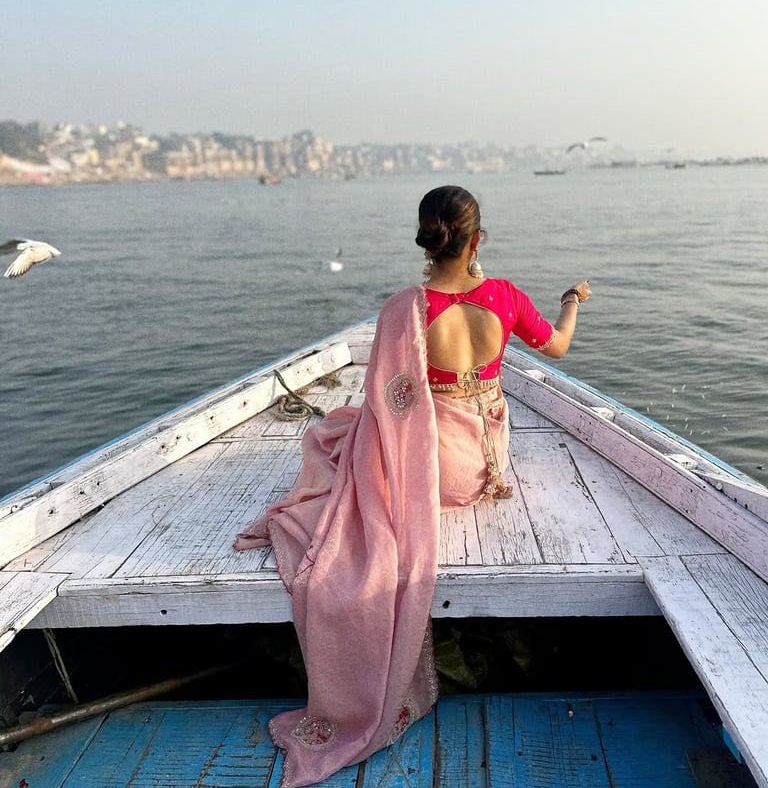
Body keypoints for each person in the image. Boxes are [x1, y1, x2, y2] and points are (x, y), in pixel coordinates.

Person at [234, 185, 590, 787]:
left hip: (431, 471)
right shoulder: (503, 296)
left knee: (340, 434)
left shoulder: (405, 309)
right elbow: (557, 345)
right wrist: (571, 301)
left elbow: (389, 403)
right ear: (476, 240)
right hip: (485, 464)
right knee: (350, 431)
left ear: (428, 236)